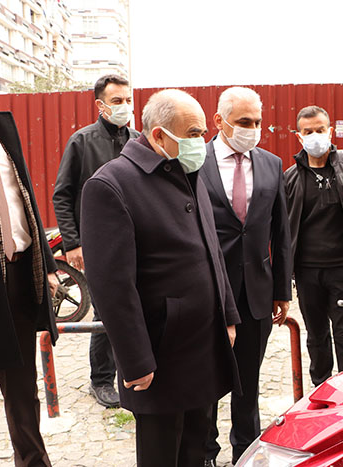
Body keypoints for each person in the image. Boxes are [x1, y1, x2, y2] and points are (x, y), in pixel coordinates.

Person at [80, 89, 241, 467]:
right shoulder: (111, 185)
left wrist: (228, 314)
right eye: (193, 133)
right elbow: (111, 286)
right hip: (160, 351)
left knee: (197, 449)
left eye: (202, 133)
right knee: (162, 453)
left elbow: (212, 249)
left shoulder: (186, 171)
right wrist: (135, 360)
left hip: (203, 343)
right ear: (158, 136)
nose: (201, 142)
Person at [200, 87, 292, 466]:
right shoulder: (195, 162)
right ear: (219, 121)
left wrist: (282, 290)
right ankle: (205, 452)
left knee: (248, 383)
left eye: (257, 122)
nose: (252, 129)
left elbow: (281, 232)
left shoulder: (271, 164)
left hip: (257, 292)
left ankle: (246, 452)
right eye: (243, 122)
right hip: (208, 291)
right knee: (206, 381)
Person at [52, 74, 139, 408]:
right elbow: (62, 195)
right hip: (96, 244)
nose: (125, 106)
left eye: (128, 100)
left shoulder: (138, 141)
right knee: (106, 311)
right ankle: (101, 379)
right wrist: (73, 243)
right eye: (117, 101)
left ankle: (133, 373)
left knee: (134, 307)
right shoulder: (82, 141)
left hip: (135, 241)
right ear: (100, 105)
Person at [0, 73, 60, 467]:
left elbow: (25, 201)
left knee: (22, 388)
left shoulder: (0, 130)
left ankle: (34, 462)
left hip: (14, 277)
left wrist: (46, 264)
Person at [284, 105, 343, 387]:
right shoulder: (289, 178)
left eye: (320, 129)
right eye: (308, 131)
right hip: (306, 272)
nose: (315, 135)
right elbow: (279, 228)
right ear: (299, 136)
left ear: (330, 131)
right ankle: (322, 387)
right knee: (316, 336)